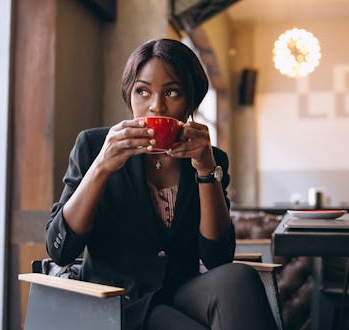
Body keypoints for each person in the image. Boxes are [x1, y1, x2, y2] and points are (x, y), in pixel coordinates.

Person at [45, 38, 277, 330]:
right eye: (142, 91)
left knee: (240, 277)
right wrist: (102, 167)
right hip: (117, 299)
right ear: (129, 95)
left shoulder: (210, 157)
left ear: (190, 101)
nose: (156, 106)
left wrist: (206, 170)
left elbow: (218, 258)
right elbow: (60, 249)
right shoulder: (94, 146)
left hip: (182, 292)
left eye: (172, 92)